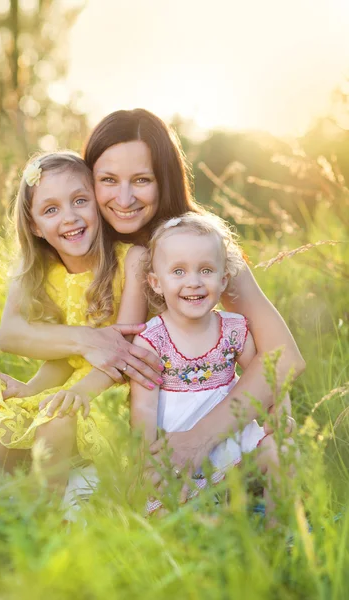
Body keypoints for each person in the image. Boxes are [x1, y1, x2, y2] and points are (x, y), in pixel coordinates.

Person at [0, 108, 305, 482]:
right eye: (107, 180)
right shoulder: (81, 243)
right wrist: (86, 343)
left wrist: (197, 439)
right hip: (121, 407)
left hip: (187, 409)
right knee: (0, 438)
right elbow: (19, 333)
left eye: (141, 180)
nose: (124, 198)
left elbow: (283, 357)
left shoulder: (199, 248)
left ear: (164, 180)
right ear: (90, 181)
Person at [0, 151, 148, 489]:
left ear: (98, 204)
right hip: (73, 388)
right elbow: (68, 358)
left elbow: (123, 351)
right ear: (35, 226)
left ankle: (49, 517)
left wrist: (79, 393)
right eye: (51, 209)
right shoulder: (47, 276)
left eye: (80, 200)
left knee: (55, 426)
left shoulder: (131, 261)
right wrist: (30, 390)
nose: (69, 217)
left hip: (116, 386)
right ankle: (5, 504)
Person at [130, 212, 294, 516]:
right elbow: (143, 409)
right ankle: (206, 534)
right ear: (156, 282)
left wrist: (280, 412)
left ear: (223, 279)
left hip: (234, 437)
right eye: (178, 271)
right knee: (165, 507)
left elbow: (269, 375)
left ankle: (279, 532)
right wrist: (145, 460)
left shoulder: (234, 329)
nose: (193, 282)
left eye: (205, 270)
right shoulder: (152, 340)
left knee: (282, 453)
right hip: (178, 442)